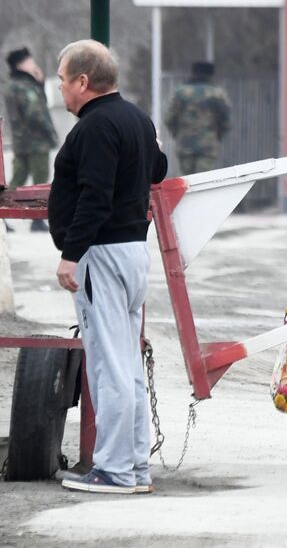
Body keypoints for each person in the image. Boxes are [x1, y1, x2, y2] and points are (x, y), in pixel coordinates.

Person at [47, 40, 167, 495]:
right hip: (133, 250)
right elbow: (158, 168)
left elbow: (94, 195)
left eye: (62, 78)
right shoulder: (137, 119)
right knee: (128, 364)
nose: (60, 87)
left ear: (83, 81)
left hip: (102, 253)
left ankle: (114, 470)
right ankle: (134, 467)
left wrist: (71, 253)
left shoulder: (95, 127)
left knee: (109, 364)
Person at [5, 47, 59, 232]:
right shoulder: (24, 86)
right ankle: (37, 218)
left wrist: (41, 84)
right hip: (36, 142)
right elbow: (36, 113)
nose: (33, 64)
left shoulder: (16, 84)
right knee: (40, 180)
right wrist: (50, 133)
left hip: (22, 141)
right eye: (30, 61)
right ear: (21, 65)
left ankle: (3, 213)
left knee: (17, 179)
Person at [163, 61, 232, 174]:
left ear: (193, 73)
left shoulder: (181, 93)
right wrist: (216, 136)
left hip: (185, 144)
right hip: (208, 146)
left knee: (186, 182)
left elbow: (169, 118)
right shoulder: (217, 94)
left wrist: (177, 134)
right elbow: (226, 121)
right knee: (203, 182)